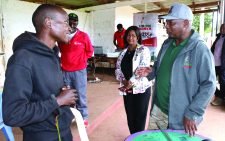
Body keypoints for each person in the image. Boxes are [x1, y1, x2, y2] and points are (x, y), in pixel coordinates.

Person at [136, 3, 216, 136]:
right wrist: (150, 72)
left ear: (185, 24)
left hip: (180, 116)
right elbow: (158, 67)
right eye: (166, 22)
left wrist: (193, 113)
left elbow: (209, 85)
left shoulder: (199, 50)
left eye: (171, 23)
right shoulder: (167, 44)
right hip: (158, 110)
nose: (166, 26)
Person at [3, 4, 78, 141]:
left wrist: (64, 98)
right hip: (42, 136)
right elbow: (13, 114)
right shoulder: (22, 59)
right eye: (66, 23)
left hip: (63, 131)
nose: (69, 28)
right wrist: (58, 101)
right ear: (48, 23)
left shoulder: (53, 54)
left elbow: (43, 92)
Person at [58, 13, 93, 127]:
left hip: (79, 71)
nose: (72, 23)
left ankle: (84, 117)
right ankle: (70, 116)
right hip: (65, 71)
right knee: (67, 94)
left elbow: (89, 51)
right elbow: (60, 50)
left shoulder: (83, 36)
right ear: (67, 22)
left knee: (80, 94)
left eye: (75, 21)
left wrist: (82, 61)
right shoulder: (62, 36)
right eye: (70, 21)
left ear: (77, 23)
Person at [115, 26, 151, 134]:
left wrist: (131, 82)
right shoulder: (123, 52)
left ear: (138, 37)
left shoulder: (143, 50)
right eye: (129, 35)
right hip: (127, 89)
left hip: (141, 90)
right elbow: (117, 69)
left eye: (133, 35)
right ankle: (133, 137)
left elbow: (142, 68)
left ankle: (138, 138)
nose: (131, 38)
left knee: (139, 118)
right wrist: (124, 80)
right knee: (130, 117)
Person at [210, 23, 225, 106]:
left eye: (224, 28)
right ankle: (218, 95)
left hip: (222, 65)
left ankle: (221, 98)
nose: (222, 30)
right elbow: (213, 49)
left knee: (222, 82)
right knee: (211, 80)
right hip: (214, 63)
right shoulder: (218, 37)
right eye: (221, 28)